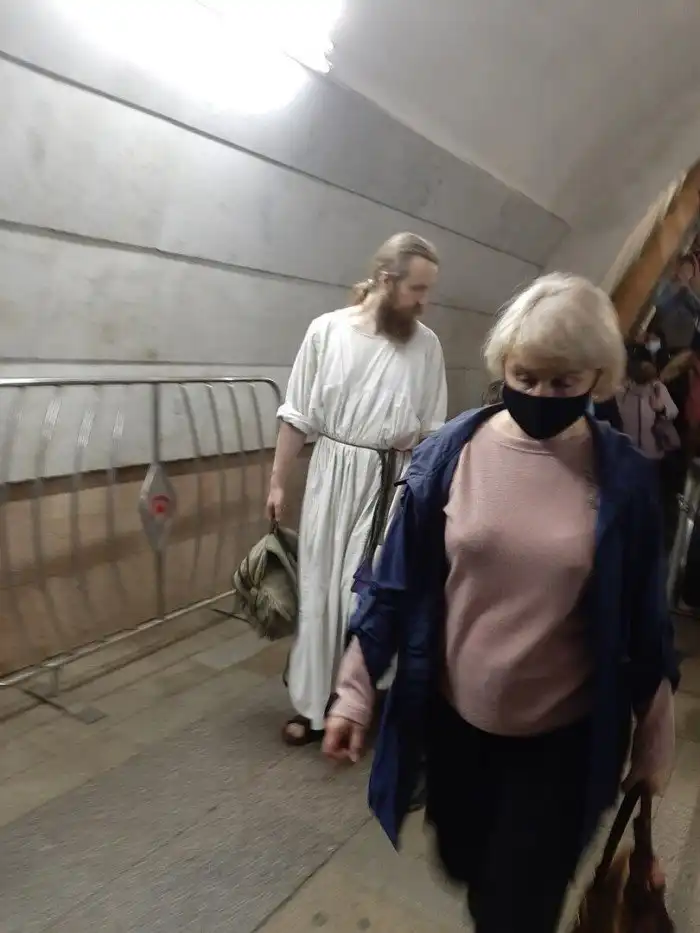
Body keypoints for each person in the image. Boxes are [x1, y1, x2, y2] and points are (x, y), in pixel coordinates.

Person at [323, 273, 678, 933]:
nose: (541, 395)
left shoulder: (623, 478)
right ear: (505, 364)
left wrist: (655, 738)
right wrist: (353, 693)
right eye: (526, 375)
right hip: (456, 725)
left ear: (597, 377)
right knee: (464, 863)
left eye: (563, 382)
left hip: (561, 741)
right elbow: (393, 582)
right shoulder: (448, 455)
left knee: (516, 906)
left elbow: (643, 619)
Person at [267, 232, 447, 746]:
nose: (424, 301)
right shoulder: (327, 331)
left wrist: (425, 496)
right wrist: (277, 481)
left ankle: (357, 699)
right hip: (332, 472)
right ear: (387, 280)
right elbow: (297, 415)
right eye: (417, 289)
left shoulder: (426, 345)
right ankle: (312, 706)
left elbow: (432, 431)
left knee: (363, 595)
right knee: (320, 589)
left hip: (390, 479)